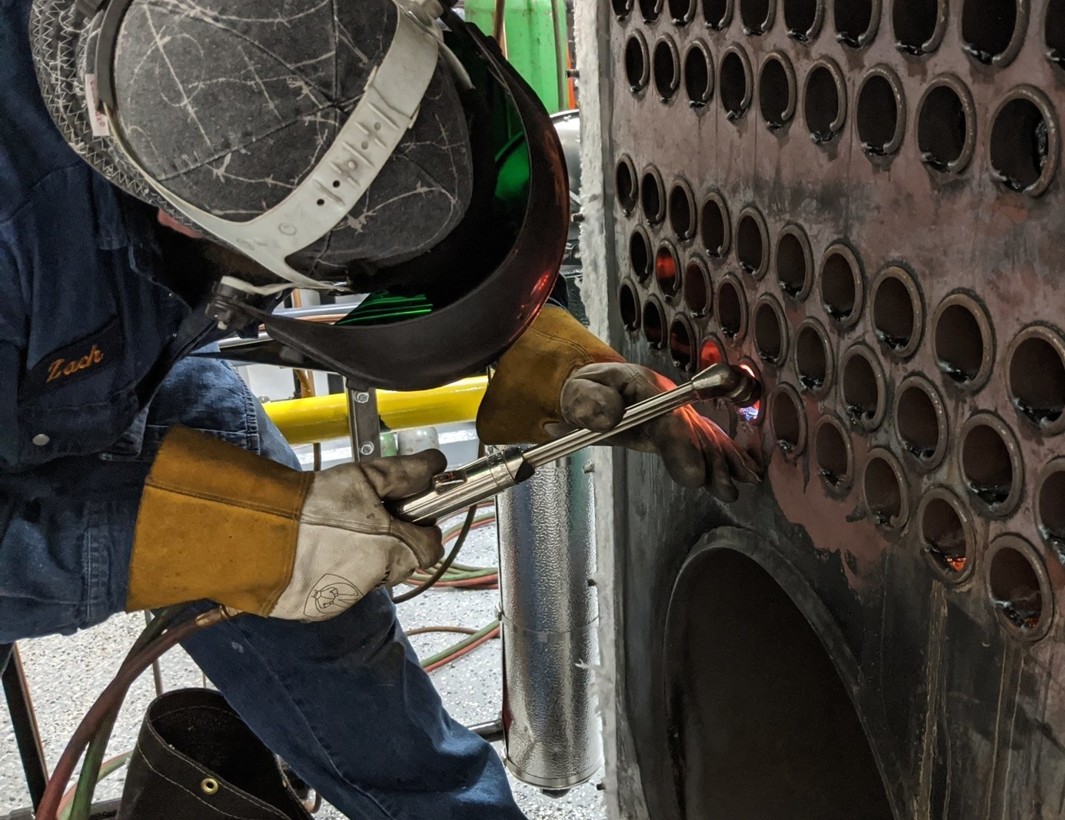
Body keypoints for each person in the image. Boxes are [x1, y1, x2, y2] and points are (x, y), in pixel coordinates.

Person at [2, 0, 758, 817]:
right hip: (38, 367)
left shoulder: (236, 59)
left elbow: (395, 165)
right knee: (281, 554)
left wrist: (528, 338)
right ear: (180, 218)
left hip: (123, 356)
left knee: (338, 648)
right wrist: (221, 534)